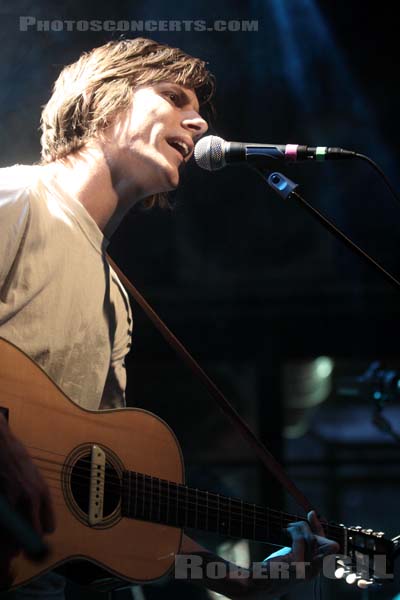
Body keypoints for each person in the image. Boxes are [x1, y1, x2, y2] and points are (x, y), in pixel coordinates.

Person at [0, 37, 339, 598]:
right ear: (103, 99)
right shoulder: (17, 199)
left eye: (198, 110)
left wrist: (246, 580)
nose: (200, 122)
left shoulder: (115, 296)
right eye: (172, 98)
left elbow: (110, 501)